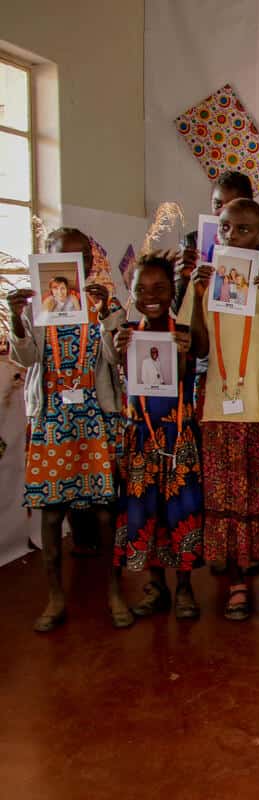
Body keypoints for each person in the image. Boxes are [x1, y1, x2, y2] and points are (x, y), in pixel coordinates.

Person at [182, 198, 259, 622]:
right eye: (227, 228)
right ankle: (236, 584)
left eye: (245, 230)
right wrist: (196, 297)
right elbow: (196, 348)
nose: (233, 236)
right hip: (219, 407)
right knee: (227, 500)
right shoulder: (206, 282)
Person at [9, 227, 130, 631]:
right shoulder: (36, 310)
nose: (70, 268)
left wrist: (108, 314)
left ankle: (114, 590)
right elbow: (27, 358)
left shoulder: (101, 306)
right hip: (51, 417)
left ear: (90, 264)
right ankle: (55, 597)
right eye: (61, 259)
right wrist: (16, 317)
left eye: (80, 260)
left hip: (95, 414)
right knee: (50, 507)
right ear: (46, 261)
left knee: (104, 507)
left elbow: (114, 360)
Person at [110, 253, 204, 619]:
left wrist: (185, 352)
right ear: (131, 292)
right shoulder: (127, 335)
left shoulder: (182, 335)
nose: (151, 295)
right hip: (140, 439)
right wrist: (118, 352)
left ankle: (184, 588)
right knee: (144, 512)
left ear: (172, 292)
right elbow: (124, 381)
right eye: (142, 288)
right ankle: (156, 586)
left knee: (181, 511)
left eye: (160, 287)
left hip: (178, 435)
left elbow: (190, 369)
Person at [176, 170, 259, 311]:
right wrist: (182, 279)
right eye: (218, 205)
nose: (223, 213)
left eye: (232, 205)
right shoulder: (192, 242)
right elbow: (178, 309)